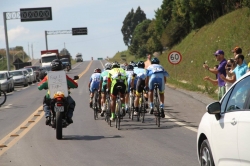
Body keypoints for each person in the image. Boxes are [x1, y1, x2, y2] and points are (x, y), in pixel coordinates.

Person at [38, 59, 78, 125]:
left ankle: (48, 116)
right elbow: (75, 85)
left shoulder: (48, 76)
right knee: (72, 103)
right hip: (64, 96)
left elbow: (39, 87)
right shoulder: (64, 76)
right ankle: (69, 117)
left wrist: (46, 85)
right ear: (61, 66)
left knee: (46, 103)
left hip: (51, 96)